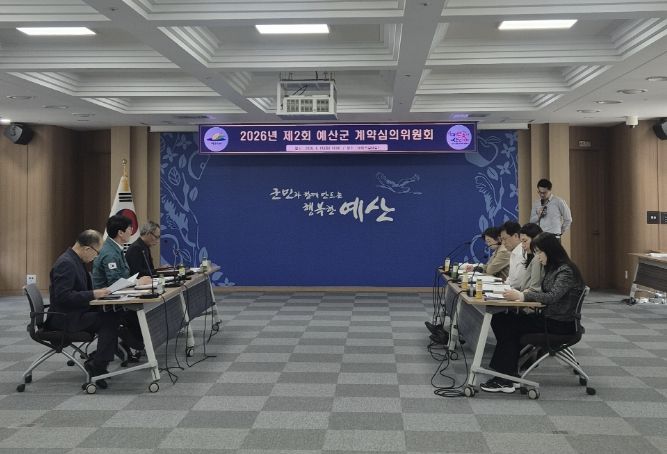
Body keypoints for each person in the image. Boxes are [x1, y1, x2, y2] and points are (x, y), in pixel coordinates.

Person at [480, 233, 585, 393]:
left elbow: (552, 296)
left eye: (539, 252)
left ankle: (505, 378)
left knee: (508, 325)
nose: (537, 256)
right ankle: (508, 372)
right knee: (502, 319)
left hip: (560, 325)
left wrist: (523, 296)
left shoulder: (566, 271)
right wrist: (524, 294)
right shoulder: (555, 269)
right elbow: (545, 293)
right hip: (550, 318)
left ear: (550, 251)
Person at [46, 230, 117, 388]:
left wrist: (98, 294)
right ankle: (97, 366)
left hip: (76, 313)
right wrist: (93, 294)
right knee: (109, 320)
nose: (96, 257)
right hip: (65, 318)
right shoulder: (66, 263)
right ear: (87, 249)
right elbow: (63, 297)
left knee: (112, 313)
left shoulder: (75, 261)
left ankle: (98, 361)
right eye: (97, 253)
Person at [92, 215, 150, 359]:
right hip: (107, 304)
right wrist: (138, 283)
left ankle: (127, 345)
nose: (132, 231)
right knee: (139, 315)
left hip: (117, 299)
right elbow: (115, 282)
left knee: (144, 311)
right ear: (120, 233)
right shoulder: (110, 253)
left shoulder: (116, 248)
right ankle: (130, 345)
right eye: (130, 228)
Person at [517, 223, 544, 292]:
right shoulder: (531, 257)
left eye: (525, 241)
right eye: (521, 242)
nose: (522, 245)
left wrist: (519, 295)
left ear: (535, 238)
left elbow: (534, 288)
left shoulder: (538, 258)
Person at [499, 220, 526, 289]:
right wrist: (504, 285)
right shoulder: (513, 252)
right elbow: (511, 278)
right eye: (502, 240)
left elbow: (518, 282)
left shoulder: (523, 253)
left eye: (505, 239)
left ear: (516, 236)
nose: (503, 243)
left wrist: (504, 287)